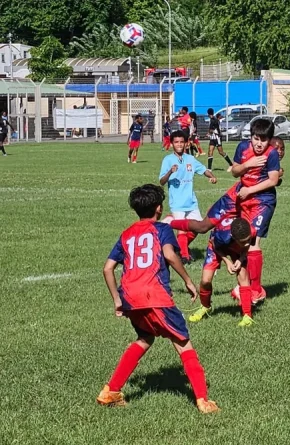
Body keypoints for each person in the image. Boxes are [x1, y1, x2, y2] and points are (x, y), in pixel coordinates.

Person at [97, 184, 219, 414]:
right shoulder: (161, 229)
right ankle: (203, 400)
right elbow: (170, 254)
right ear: (159, 208)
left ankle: (110, 391)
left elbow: (107, 269)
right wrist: (188, 281)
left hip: (131, 298)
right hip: (155, 296)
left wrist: (117, 300)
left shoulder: (126, 233)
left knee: (145, 338)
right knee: (183, 343)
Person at [170, 119, 279, 304]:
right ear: (250, 136)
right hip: (238, 193)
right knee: (204, 226)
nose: (259, 143)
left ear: (270, 139)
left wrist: (249, 191)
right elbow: (235, 172)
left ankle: (254, 290)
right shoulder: (243, 147)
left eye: (264, 139)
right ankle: (169, 222)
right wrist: (248, 164)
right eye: (256, 138)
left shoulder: (272, 153)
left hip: (261, 201)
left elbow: (273, 180)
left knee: (251, 242)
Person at [159, 130, 218, 264]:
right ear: (172, 144)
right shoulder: (168, 160)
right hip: (177, 203)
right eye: (176, 142)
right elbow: (162, 181)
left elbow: (203, 170)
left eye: (181, 142)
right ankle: (184, 256)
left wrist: (212, 176)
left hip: (191, 202)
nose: (179, 144)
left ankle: (178, 243)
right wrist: (170, 172)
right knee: (182, 230)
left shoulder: (190, 159)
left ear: (186, 144)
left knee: (199, 227)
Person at [189, 217, 256, 327]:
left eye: (248, 240)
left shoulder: (251, 230)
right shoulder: (222, 236)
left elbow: (247, 245)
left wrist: (241, 258)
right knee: (205, 281)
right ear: (234, 237)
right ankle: (205, 306)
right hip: (217, 247)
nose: (247, 243)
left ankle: (247, 315)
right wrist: (227, 262)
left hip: (237, 249)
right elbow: (215, 246)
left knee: (243, 276)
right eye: (243, 242)